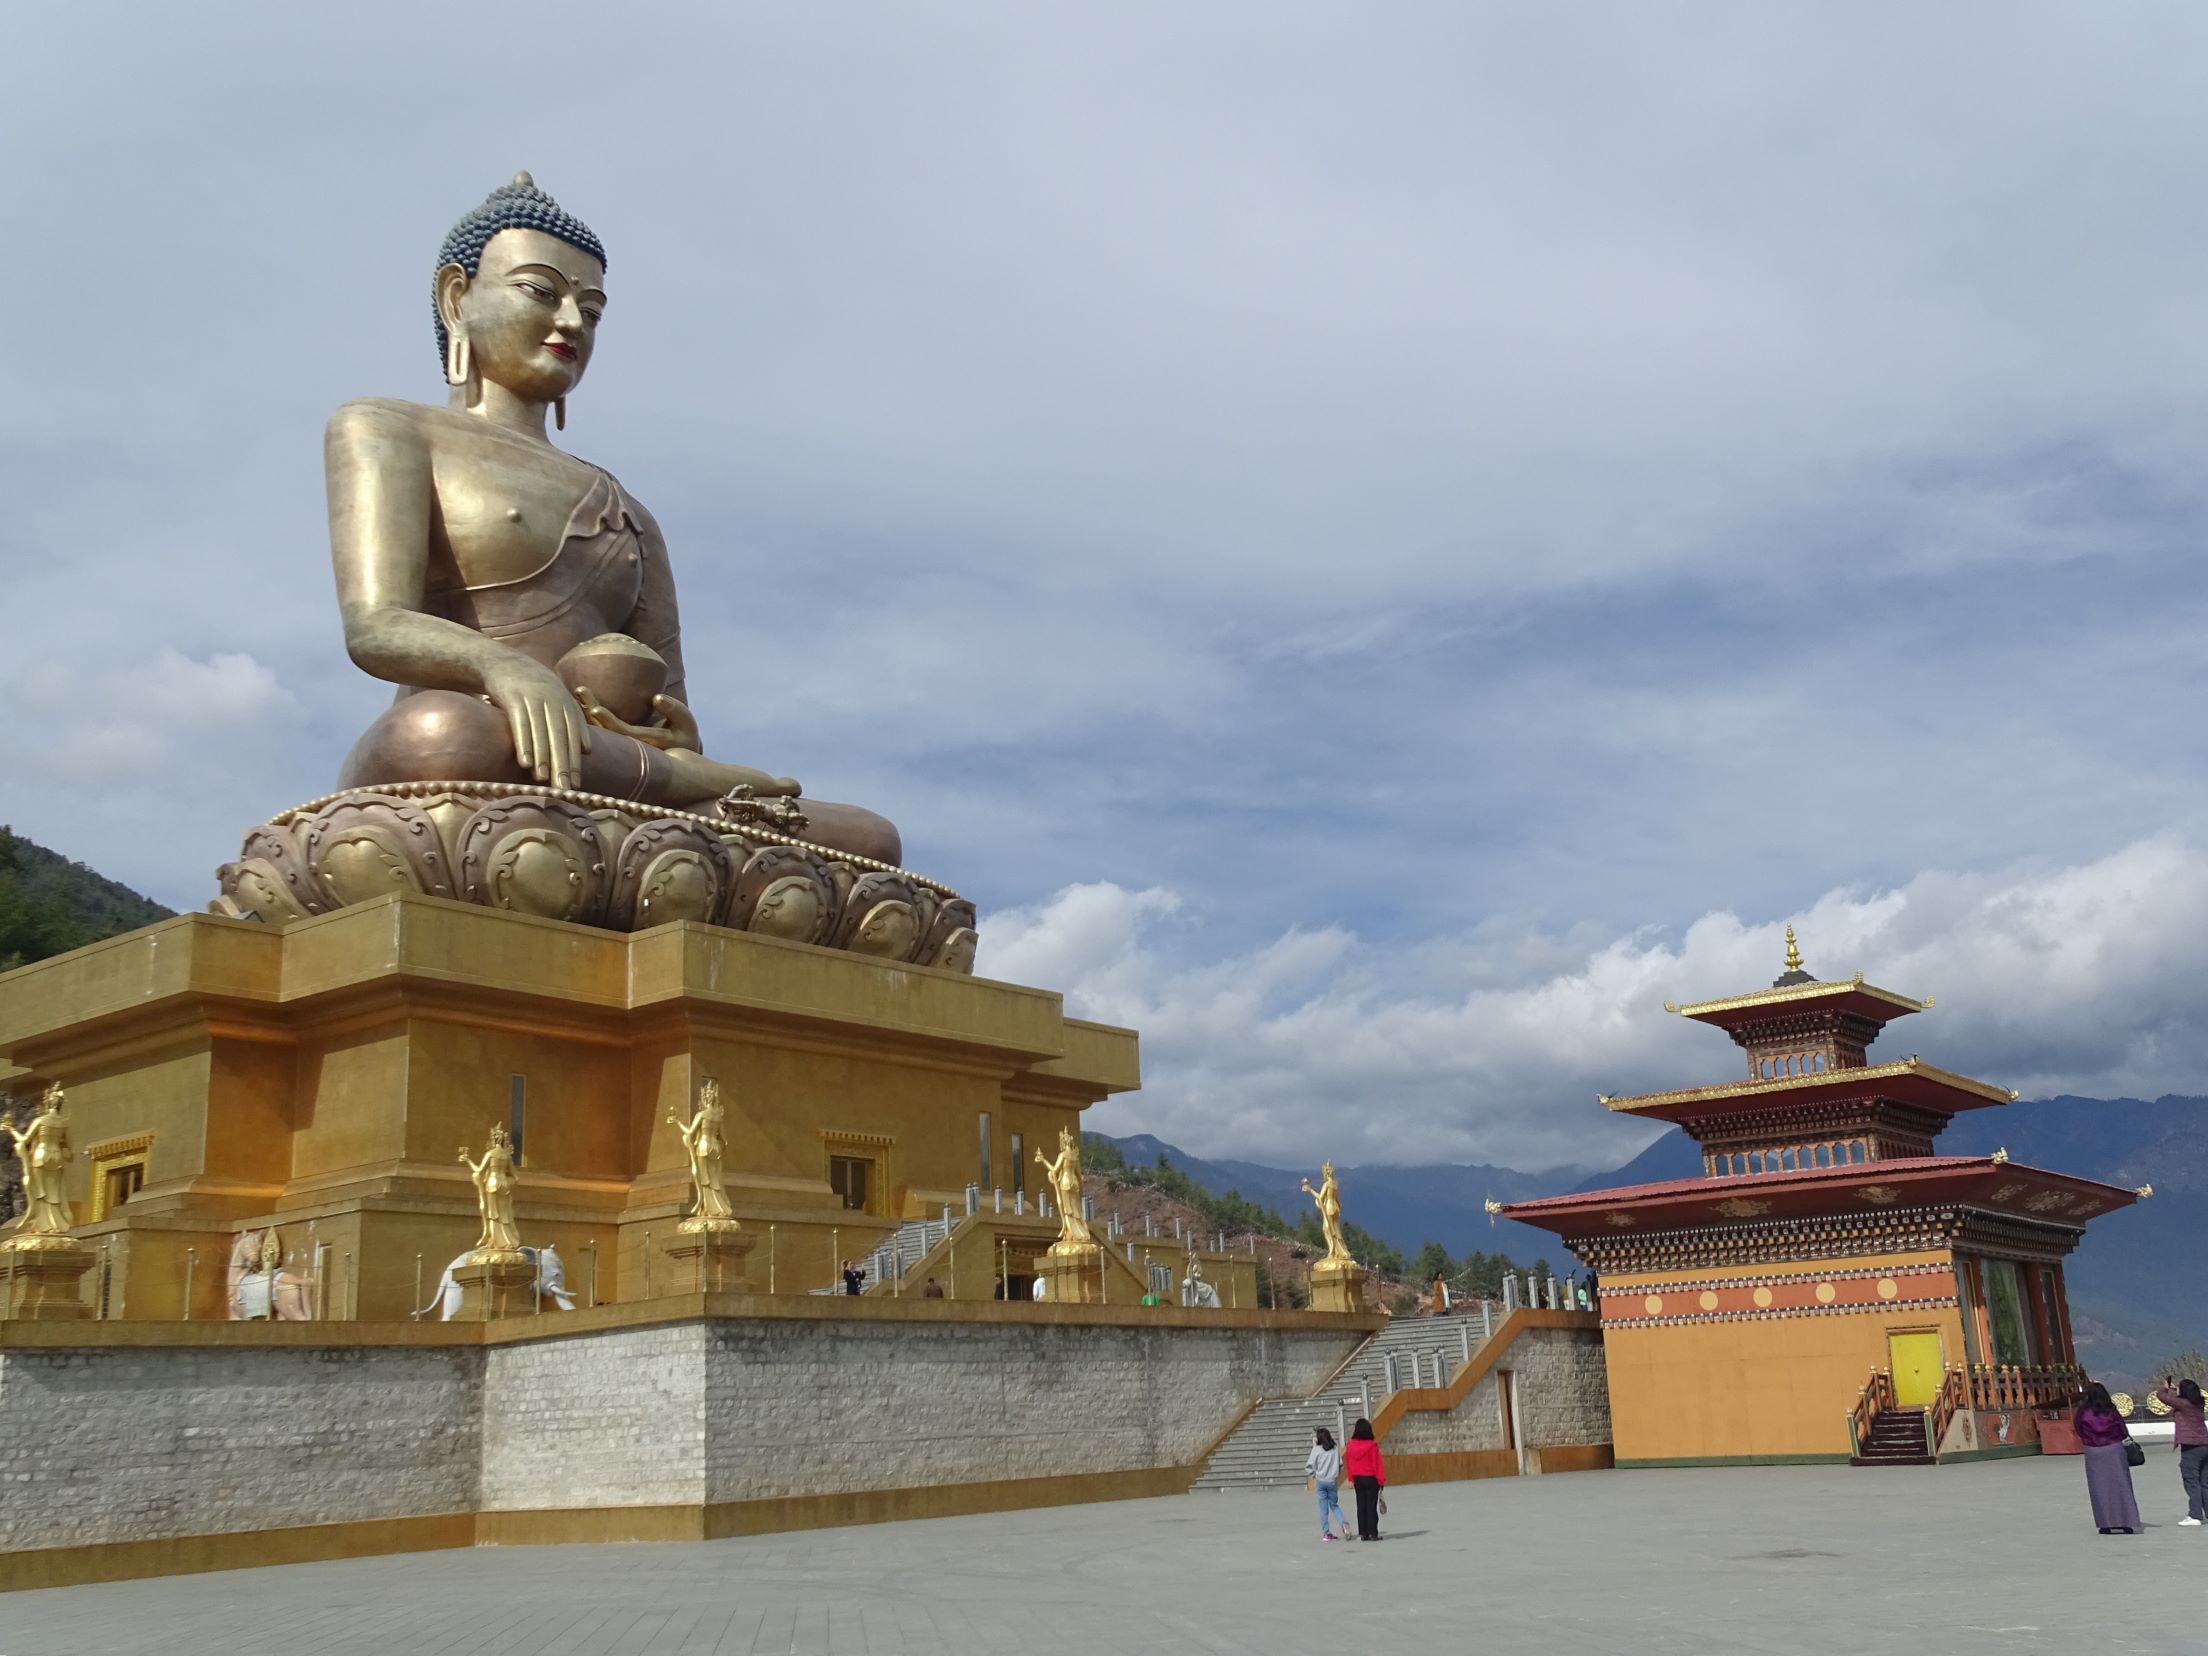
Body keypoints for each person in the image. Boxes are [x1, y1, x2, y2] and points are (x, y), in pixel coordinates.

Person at [2073, 1382, 2142, 1534]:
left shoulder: (2083, 1412)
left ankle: (2105, 1523)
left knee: (2099, 1487)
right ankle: (2126, 1522)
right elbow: (2123, 1430)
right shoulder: (2111, 1411)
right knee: (2121, 1485)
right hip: (2114, 1449)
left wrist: (2089, 1439)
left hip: (2093, 1451)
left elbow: (2078, 1429)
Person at [2152, 1375, 2208, 1525]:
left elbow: (2161, 1396)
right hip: (2205, 1444)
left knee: (2191, 1480)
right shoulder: (2198, 1403)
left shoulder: (2183, 1403)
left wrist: (2165, 1387)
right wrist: (2178, 1388)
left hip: (2191, 1446)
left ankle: (2195, 1515)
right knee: (2204, 1481)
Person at [1344, 1417, 1386, 1541]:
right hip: (1371, 1479)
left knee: (1361, 1506)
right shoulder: (1372, 1446)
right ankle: (1373, 1533)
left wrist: (1351, 1477)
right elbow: (1376, 1464)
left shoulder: (1350, 1446)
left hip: (1358, 1479)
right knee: (1371, 1507)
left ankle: (1363, 1533)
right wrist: (1381, 1480)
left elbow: (1349, 1462)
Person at [1306, 1427, 1346, 1541]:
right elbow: (1340, 1466)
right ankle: (1343, 1523)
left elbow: (1309, 1466)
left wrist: (1314, 1475)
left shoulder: (1316, 1450)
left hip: (1321, 1481)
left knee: (1323, 1509)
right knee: (1334, 1505)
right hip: (1332, 1481)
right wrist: (1335, 1475)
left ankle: (1326, 1533)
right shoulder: (1334, 1449)